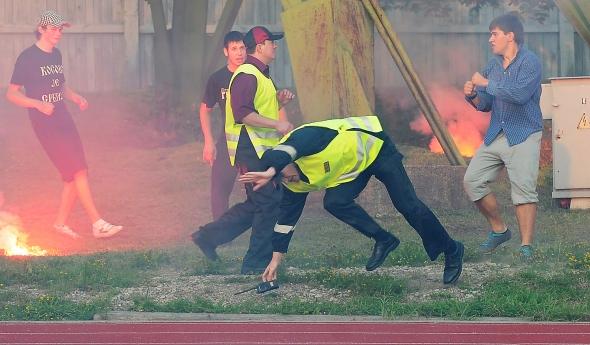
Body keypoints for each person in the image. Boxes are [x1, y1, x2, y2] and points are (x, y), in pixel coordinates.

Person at [239, 116, 464, 285]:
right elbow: (286, 220)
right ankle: (384, 240)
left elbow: (287, 150)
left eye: (281, 173)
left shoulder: (303, 138)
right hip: (353, 170)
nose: (285, 179)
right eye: (279, 180)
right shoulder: (293, 182)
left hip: (376, 148)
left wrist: (270, 170)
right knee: (334, 202)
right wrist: (276, 259)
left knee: (408, 206)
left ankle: (452, 250)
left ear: (280, 163)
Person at [6, 10, 122, 239]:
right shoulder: (27, 58)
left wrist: (75, 97)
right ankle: (97, 223)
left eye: (60, 29)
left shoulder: (55, 55)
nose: (58, 33)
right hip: (44, 123)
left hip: (63, 117)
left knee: (76, 172)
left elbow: (59, 86)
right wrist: (37, 104)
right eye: (54, 29)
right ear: (41, 29)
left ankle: (59, 224)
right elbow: (12, 94)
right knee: (77, 169)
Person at [192, 26, 295, 274]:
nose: (276, 46)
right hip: (249, 150)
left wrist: (278, 102)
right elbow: (242, 114)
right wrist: (277, 123)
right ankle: (254, 264)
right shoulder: (248, 74)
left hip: (259, 149)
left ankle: (208, 237)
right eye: (272, 42)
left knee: (259, 204)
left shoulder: (260, 74)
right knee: (268, 204)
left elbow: (257, 106)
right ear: (260, 47)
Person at [463, 13, 542, 259]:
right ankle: (499, 230)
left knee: (523, 191)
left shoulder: (530, 62)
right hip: (497, 133)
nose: (490, 39)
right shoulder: (493, 64)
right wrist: (473, 95)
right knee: (472, 181)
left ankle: (526, 247)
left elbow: (518, 94)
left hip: (524, 133)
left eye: (494, 34)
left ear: (510, 36)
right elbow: (487, 104)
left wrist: (486, 82)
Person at [199, 31, 246, 220]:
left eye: (242, 48)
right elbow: (205, 109)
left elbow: (274, 104)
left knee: (259, 189)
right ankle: (221, 232)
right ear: (226, 51)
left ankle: (263, 230)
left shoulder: (255, 74)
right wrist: (208, 142)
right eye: (234, 48)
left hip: (253, 143)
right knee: (219, 190)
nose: (239, 53)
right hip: (228, 142)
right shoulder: (217, 79)